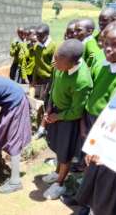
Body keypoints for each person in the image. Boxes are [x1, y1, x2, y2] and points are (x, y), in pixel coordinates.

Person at [76, 23, 116, 215]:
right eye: (105, 43)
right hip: (104, 140)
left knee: (109, 197)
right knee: (94, 180)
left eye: (115, 45)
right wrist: (94, 146)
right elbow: (108, 116)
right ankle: (89, 207)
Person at [41, 39, 93, 200]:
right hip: (56, 112)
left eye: (58, 61)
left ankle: (60, 184)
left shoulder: (82, 81)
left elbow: (77, 111)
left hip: (68, 119)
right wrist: (49, 108)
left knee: (66, 153)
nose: (54, 63)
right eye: (55, 58)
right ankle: (57, 173)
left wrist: (58, 117)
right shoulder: (60, 64)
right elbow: (55, 86)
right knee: (57, 147)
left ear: (73, 63)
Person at [32, 23, 56, 101]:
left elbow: (54, 67)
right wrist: (34, 79)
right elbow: (36, 63)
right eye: (37, 36)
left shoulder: (53, 46)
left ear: (47, 34)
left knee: (44, 99)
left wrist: (50, 84)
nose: (38, 38)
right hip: (39, 77)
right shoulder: (37, 45)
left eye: (41, 36)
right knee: (36, 98)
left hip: (48, 79)